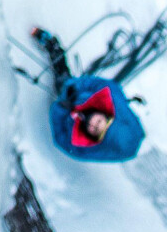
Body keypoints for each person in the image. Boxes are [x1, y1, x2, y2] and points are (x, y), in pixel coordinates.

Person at [31, 26, 146, 164]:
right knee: (63, 80)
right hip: (80, 94)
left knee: (62, 88)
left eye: (95, 130)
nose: (92, 123)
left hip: (68, 115)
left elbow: (60, 138)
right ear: (106, 116)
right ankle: (53, 47)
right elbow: (97, 84)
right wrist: (73, 87)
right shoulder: (108, 97)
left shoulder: (80, 145)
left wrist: (60, 109)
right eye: (98, 122)